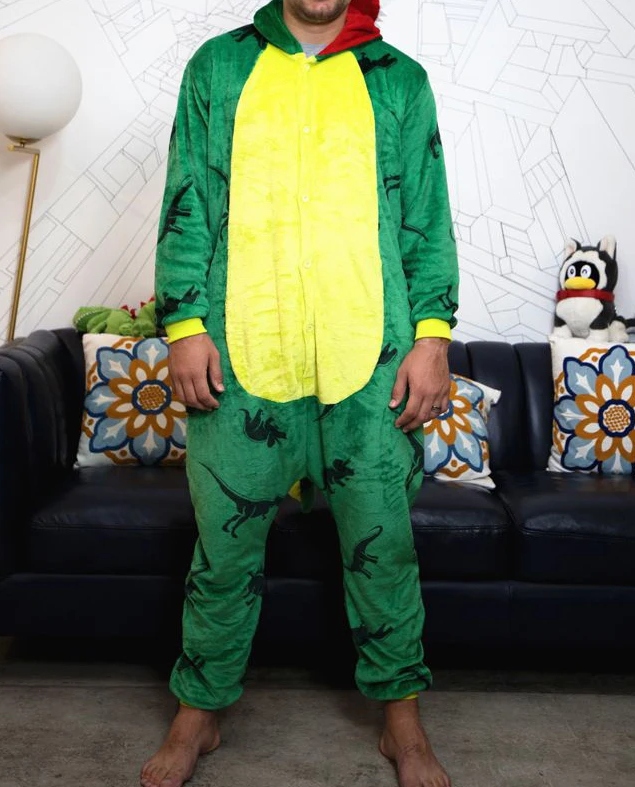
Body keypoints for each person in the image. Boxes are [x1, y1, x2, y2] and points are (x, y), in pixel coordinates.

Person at [142, 1, 459, 785]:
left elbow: (425, 214)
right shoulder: (220, 67)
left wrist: (432, 338)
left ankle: (402, 718)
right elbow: (189, 195)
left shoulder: (399, 81)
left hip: (372, 363)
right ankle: (198, 710)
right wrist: (183, 323)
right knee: (223, 549)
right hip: (241, 358)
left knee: (384, 545)